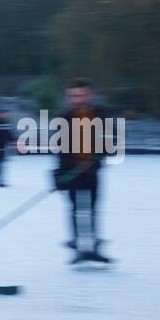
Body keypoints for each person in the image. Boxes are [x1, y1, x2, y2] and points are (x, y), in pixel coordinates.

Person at [52, 78, 111, 264]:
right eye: (73, 96)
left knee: (93, 209)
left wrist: (102, 152)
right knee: (76, 209)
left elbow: (112, 139)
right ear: (69, 97)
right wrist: (59, 175)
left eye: (81, 95)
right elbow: (60, 147)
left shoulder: (101, 114)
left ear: (89, 95)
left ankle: (93, 247)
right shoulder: (64, 117)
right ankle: (78, 247)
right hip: (72, 172)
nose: (78, 99)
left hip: (93, 171)